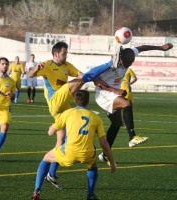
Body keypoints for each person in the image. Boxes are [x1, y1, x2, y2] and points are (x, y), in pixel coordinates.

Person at [28, 41, 114, 189]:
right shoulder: (47, 64)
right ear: (56, 54)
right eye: (64, 53)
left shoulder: (67, 66)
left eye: (66, 53)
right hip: (55, 100)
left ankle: (51, 174)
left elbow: (82, 75)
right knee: (79, 81)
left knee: (61, 142)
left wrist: (94, 80)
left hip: (64, 107)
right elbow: (30, 75)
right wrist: (36, 68)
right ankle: (111, 63)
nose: (66, 55)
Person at [96, 43, 174, 165]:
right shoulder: (111, 66)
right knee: (127, 102)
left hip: (113, 92)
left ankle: (105, 154)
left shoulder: (129, 53)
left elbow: (142, 48)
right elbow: (96, 80)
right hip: (104, 94)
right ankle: (132, 137)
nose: (130, 64)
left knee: (116, 124)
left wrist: (161, 48)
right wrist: (115, 91)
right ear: (121, 59)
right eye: (128, 62)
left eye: (132, 62)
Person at [31, 90, 116, 200]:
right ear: (88, 101)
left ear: (75, 100)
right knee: (93, 166)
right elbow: (104, 144)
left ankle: (37, 189)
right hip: (87, 154)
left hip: (69, 152)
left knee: (46, 158)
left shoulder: (68, 113)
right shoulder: (96, 118)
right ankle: (90, 194)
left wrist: (52, 128)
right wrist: (112, 162)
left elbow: (50, 132)